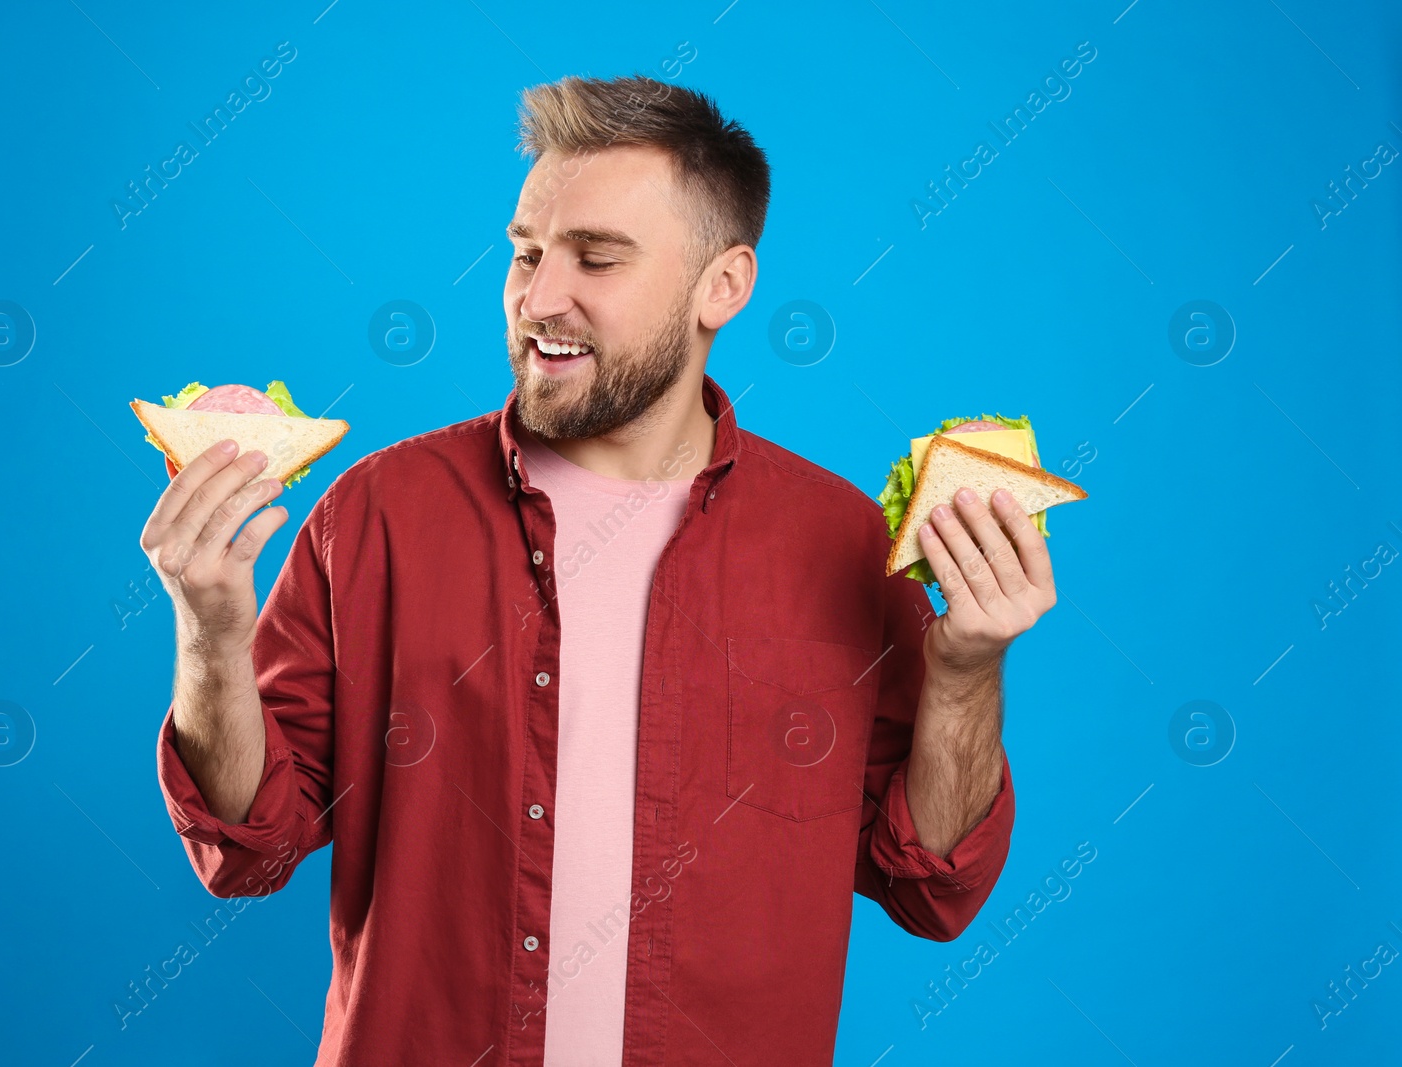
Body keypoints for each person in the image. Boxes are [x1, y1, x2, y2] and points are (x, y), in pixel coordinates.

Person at [140, 73, 1053, 1067]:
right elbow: (248, 845)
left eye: (597, 258)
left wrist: (965, 674)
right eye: (525, 253)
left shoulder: (837, 542)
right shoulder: (379, 513)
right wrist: (209, 637)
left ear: (724, 286)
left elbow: (930, 888)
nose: (539, 298)